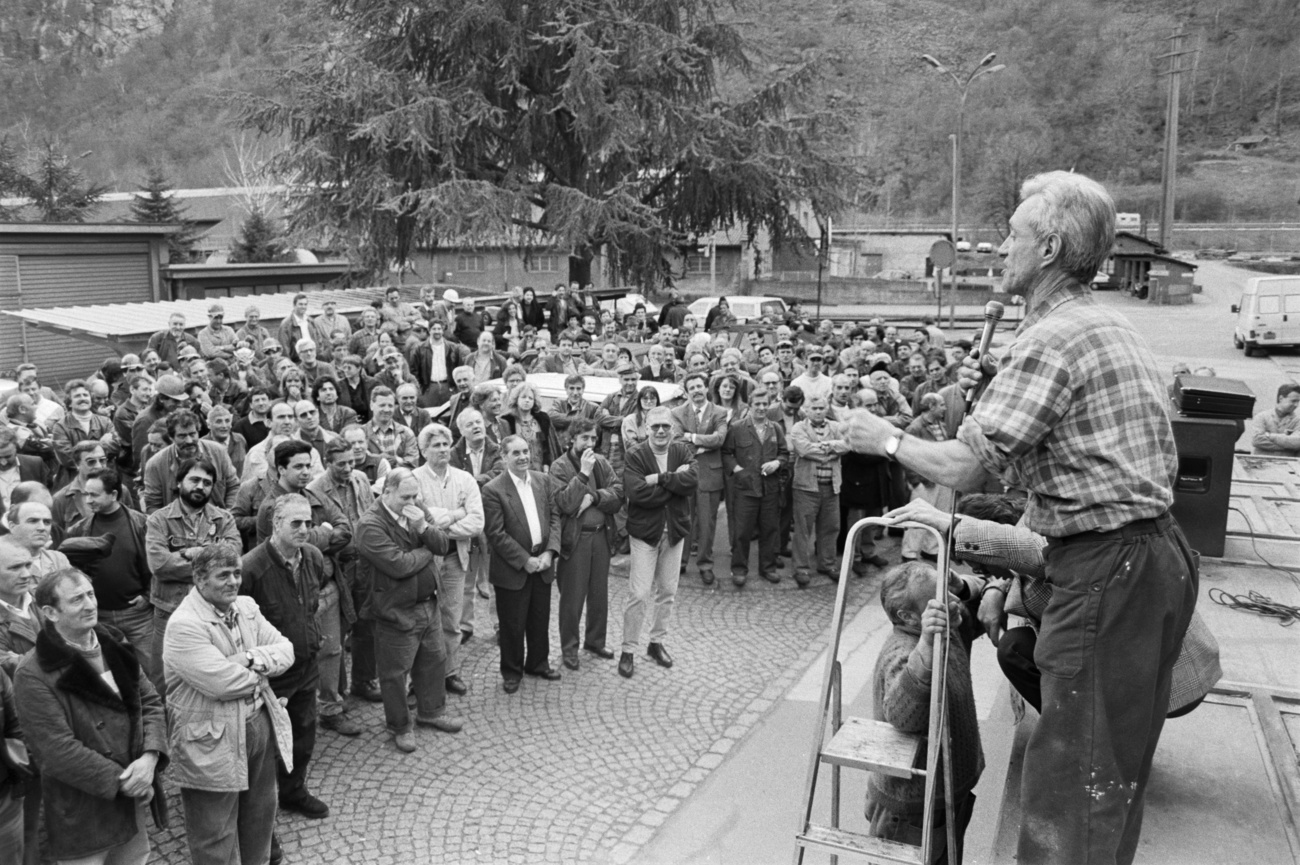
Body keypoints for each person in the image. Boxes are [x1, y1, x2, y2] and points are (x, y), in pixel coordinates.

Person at [844, 171, 1196, 865]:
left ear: (1050, 248)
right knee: (1104, 784)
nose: (998, 246)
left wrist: (877, 435)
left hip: (1110, 572)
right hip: (1146, 559)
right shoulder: (1102, 320)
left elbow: (964, 468)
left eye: (1012, 233)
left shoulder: (1052, 338)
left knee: (1070, 792)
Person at [15, 568, 169, 865]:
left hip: (135, 793)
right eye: (76, 600)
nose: (90, 604)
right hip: (85, 811)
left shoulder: (112, 641)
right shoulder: (32, 673)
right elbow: (57, 751)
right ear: (50, 612)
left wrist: (150, 759)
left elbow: (149, 701)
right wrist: (127, 783)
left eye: (90, 594)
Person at [164, 544, 294, 865]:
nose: (233, 581)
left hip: (257, 724)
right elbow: (222, 683)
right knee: (214, 832)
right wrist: (263, 672)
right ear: (199, 579)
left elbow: (287, 650)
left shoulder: (246, 606)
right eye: (223, 575)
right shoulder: (184, 625)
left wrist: (249, 657)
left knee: (260, 815)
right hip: (208, 738)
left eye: (237, 573)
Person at [865, 561, 981, 862]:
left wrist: (961, 585)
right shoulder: (902, 651)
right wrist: (927, 644)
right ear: (909, 617)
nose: (953, 601)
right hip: (912, 810)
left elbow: (987, 600)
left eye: (948, 590)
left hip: (946, 796)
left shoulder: (949, 624)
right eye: (940, 597)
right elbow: (903, 716)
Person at [354, 469, 465, 753]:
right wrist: (428, 549)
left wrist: (424, 530)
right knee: (394, 672)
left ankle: (431, 711)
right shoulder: (370, 525)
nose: (412, 501)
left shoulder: (416, 508)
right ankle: (399, 725)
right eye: (405, 497)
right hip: (394, 610)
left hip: (428, 603)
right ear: (386, 492)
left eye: (416, 495)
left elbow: (443, 543)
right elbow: (398, 565)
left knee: (433, 660)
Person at [240, 494, 331, 819]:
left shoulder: (314, 557)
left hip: (306, 669)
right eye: (296, 523)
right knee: (265, 751)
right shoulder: (251, 568)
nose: (305, 529)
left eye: (309, 522)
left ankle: (293, 793)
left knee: (304, 737)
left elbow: (310, 603)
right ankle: (261, 819)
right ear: (276, 524)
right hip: (270, 678)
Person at [144, 457, 241, 697]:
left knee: (214, 672)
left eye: (207, 482)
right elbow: (159, 564)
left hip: (213, 612)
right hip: (169, 611)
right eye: (194, 480)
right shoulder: (158, 520)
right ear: (179, 483)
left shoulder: (223, 519)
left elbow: (234, 555)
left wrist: (193, 555)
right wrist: (211, 562)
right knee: (164, 677)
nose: (200, 486)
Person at [481, 436, 562, 693]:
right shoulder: (493, 489)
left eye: (526, 451)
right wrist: (524, 560)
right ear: (504, 457)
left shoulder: (543, 480)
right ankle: (512, 671)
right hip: (513, 568)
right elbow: (495, 533)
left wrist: (550, 553)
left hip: (543, 563)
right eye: (516, 453)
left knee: (539, 619)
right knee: (512, 624)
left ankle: (537, 663)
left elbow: (555, 519)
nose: (523, 457)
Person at [63, 467, 158, 688]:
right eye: (86, 494)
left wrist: (146, 596)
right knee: (109, 676)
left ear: (114, 495)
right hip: (99, 616)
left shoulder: (143, 524)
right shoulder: (79, 530)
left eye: (94, 495)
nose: (88, 500)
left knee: (150, 672)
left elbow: (157, 566)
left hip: (138, 616)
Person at [620, 406, 696, 678]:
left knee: (667, 591)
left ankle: (656, 642)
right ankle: (628, 649)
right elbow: (637, 493)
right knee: (638, 594)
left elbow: (693, 480)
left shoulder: (681, 451)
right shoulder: (636, 454)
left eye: (666, 426)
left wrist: (661, 479)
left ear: (673, 429)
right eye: (655, 427)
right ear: (646, 429)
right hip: (645, 533)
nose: (661, 431)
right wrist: (675, 485)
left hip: (674, 532)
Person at [412, 424, 484, 697]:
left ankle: (449, 672)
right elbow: (414, 519)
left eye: (445, 445)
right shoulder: (413, 480)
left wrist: (436, 524)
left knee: (451, 620)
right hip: (424, 561)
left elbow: (477, 522)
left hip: (454, 557)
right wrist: (456, 513)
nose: (443, 450)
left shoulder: (465, 479)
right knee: (421, 620)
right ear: (423, 450)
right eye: (436, 446)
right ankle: (418, 679)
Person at [309, 437, 380, 704]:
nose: (349, 468)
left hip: (364, 561)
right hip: (337, 566)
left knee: (367, 622)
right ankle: (336, 691)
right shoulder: (315, 490)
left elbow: (371, 511)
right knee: (337, 630)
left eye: (352, 461)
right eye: (342, 464)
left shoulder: (361, 478)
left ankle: (364, 680)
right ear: (328, 463)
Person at [549, 418, 623, 671]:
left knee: (599, 594)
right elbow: (566, 504)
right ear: (572, 439)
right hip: (576, 540)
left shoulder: (601, 462)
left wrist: (594, 497)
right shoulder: (560, 467)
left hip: (601, 536)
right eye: (584, 438)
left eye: (593, 438)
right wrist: (582, 474)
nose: (590, 443)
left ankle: (595, 641)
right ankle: (569, 648)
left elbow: (618, 494)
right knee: (572, 597)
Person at [722, 390, 788, 587]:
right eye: (757, 404)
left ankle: (767, 568)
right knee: (742, 532)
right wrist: (739, 471)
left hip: (770, 489)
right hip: (745, 489)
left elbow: (784, 453)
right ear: (749, 405)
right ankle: (739, 569)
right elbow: (726, 453)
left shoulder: (775, 428)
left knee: (770, 529)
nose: (761, 408)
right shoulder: (736, 428)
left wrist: (777, 463)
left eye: (764, 404)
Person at [667, 373, 727, 585]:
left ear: (706, 387)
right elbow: (675, 440)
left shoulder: (719, 412)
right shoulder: (676, 412)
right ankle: (680, 562)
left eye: (699, 386)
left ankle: (705, 564)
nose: (697, 391)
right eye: (692, 387)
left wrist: (691, 437)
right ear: (687, 391)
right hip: (684, 473)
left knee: (707, 523)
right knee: (683, 520)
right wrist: (703, 444)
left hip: (710, 474)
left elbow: (719, 439)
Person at [789, 395, 849, 586]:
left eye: (821, 408)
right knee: (803, 530)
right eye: (814, 408)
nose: (818, 411)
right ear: (806, 410)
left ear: (826, 409)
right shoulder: (799, 428)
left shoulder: (836, 427)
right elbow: (804, 450)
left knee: (831, 527)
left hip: (832, 486)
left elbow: (847, 445)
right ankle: (801, 568)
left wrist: (828, 446)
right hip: (806, 488)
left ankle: (828, 564)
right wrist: (832, 452)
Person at [143, 409, 240, 513]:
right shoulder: (156, 464)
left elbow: (233, 486)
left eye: (192, 434)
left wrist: (228, 514)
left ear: (198, 432)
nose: (189, 441)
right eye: (182, 436)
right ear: (171, 437)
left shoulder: (217, 452)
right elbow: (153, 504)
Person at [1250, 382, 1300, 456]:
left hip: (1287, 464)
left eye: (1298, 401)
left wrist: (1269, 436)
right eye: (1293, 401)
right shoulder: (1262, 416)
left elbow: (1297, 443)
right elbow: (1256, 441)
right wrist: (1288, 445)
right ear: (1281, 398)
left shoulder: (1297, 421)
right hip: (1261, 462)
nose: (1296, 405)